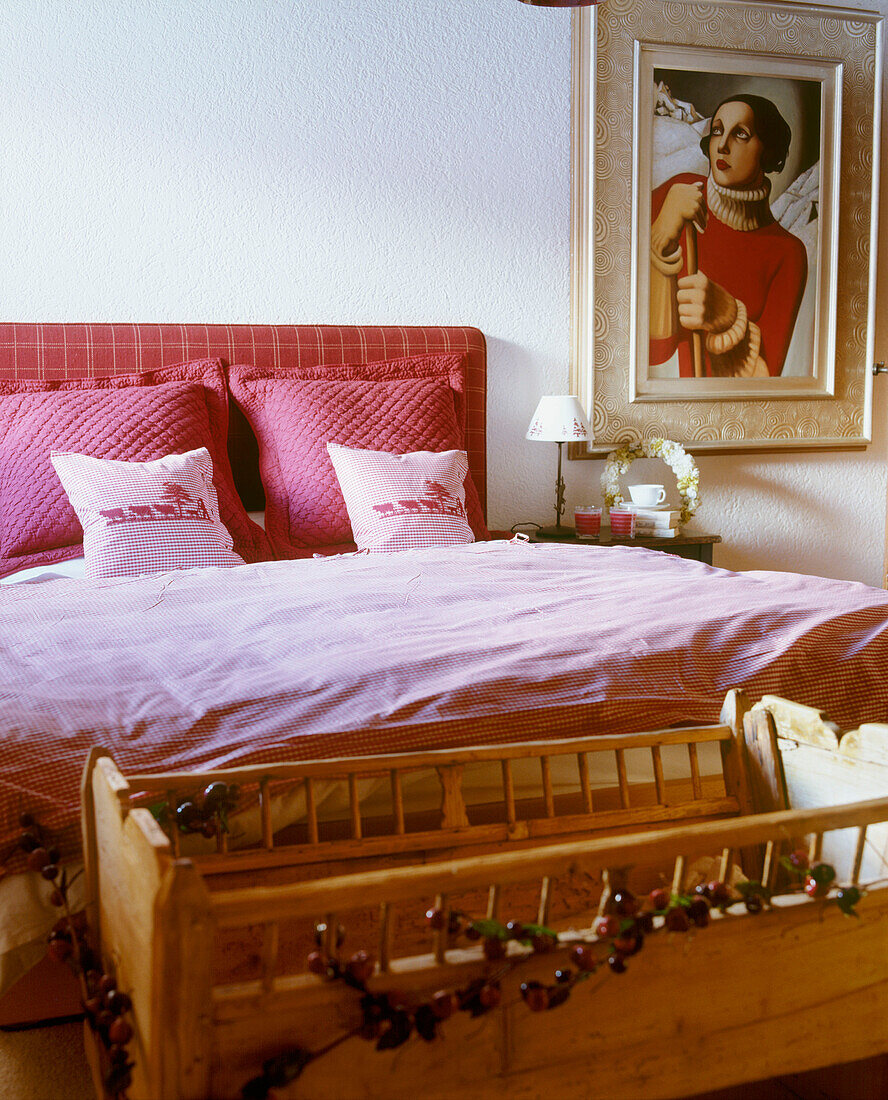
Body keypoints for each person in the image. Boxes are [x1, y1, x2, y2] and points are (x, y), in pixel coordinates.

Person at [649, 94, 808, 378]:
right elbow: (653, 349)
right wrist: (660, 236)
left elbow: (766, 379)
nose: (722, 146)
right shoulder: (678, 193)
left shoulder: (787, 252)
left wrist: (728, 317)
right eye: (718, 131)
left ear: (766, 151)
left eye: (741, 134)